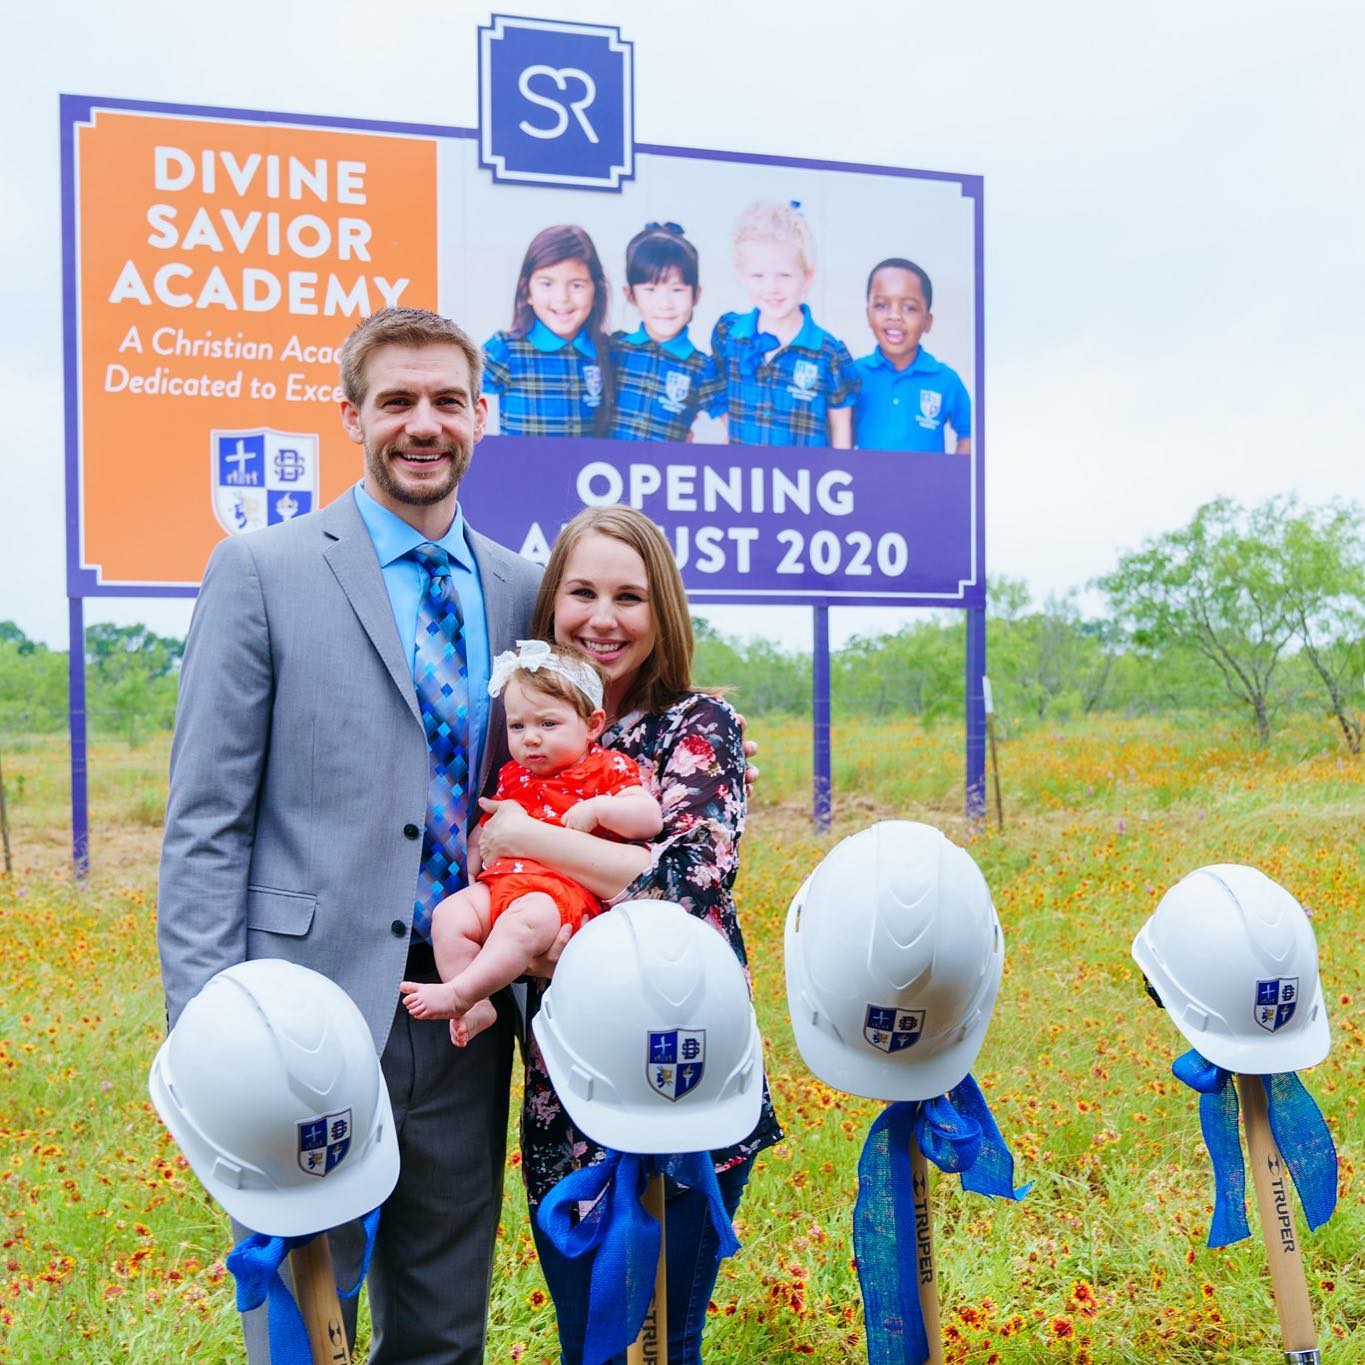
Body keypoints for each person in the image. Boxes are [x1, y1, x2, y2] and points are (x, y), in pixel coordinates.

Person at [156, 306, 543, 1364]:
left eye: (448, 402)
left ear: (481, 417)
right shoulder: (262, 569)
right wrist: (208, 1032)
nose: (425, 424)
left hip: (466, 1013)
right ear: (351, 415)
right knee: (300, 1327)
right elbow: (204, 825)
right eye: (398, 401)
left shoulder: (518, 587)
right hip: (297, 1015)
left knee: (443, 1329)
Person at [474, 504, 785, 1365]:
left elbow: (687, 881)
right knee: (590, 1341)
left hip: (689, 1066)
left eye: (629, 596)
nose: (602, 618)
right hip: (565, 1084)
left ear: (663, 612)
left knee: (662, 1340)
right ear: (549, 608)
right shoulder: (519, 734)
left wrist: (526, 836)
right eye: (581, 592)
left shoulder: (697, 726)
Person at [400, 640, 662, 1045]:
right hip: (501, 883)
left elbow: (648, 816)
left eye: (548, 724)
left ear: (592, 725)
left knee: (521, 924)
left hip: (557, 893)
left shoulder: (606, 768)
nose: (531, 739)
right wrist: (472, 858)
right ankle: (478, 1004)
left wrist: (600, 809)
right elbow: (489, 820)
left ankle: (459, 993)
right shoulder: (512, 775)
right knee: (449, 916)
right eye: (518, 726)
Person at [710, 200, 859, 448]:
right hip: (744, 478)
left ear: (807, 276)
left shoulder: (828, 353)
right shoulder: (728, 334)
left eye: (784, 275)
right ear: (742, 275)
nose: (771, 288)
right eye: (758, 276)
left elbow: (841, 428)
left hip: (805, 483)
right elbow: (714, 387)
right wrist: (730, 426)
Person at [483, 224, 616, 437]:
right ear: (527, 291)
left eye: (576, 285)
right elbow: (455, 392)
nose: (562, 297)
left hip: (591, 470)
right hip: (524, 470)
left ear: (596, 292)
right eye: (547, 284)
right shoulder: (507, 349)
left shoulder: (609, 352)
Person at [609, 222, 725, 442]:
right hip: (606, 474)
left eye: (677, 290)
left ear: (696, 295)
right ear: (630, 295)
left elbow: (733, 429)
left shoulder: (703, 367)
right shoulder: (614, 349)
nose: (665, 304)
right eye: (650, 290)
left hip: (658, 475)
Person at [853, 257, 972, 453]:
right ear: (868, 315)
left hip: (925, 484)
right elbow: (837, 434)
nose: (895, 316)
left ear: (927, 321)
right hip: (866, 483)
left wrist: (953, 477)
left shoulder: (946, 379)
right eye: (881, 305)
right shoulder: (854, 374)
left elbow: (970, 432)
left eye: (909, 307)